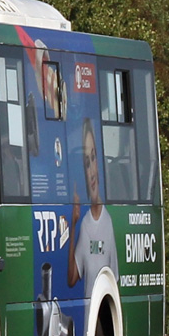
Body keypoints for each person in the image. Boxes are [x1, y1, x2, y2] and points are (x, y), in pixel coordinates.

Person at [68, 118, 116, 294]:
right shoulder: (85, 223)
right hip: (87, 319)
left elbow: (114, 283)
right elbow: (72, 277)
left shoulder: (109, 223)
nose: (92, 172)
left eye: (94, 158)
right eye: (86, 163)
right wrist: (73, 225)